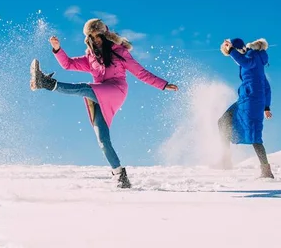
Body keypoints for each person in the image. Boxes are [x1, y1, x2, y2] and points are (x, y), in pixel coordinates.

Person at [29, 18, 178, 188]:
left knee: (84, 88)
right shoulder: (90, 57)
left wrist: (163, 85)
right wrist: (57, 49)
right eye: (92, 37)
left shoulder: (119, 52)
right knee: (102, 140)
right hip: (99, 93)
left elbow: (141, 73)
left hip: (115, 90)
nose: (96, 39)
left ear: (105, 35)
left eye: (98, 35)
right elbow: (68, 64)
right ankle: (120, 176)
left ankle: (47, 83)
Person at [218, 37, 274, 178]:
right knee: (223, 121)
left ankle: (266, 171)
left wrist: (230, 50)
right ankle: (226, 159)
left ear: (238, 49)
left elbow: (246, 63)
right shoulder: (255, 59)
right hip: (246, 100)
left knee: (254, 135)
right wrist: (266, 106)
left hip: (251, 101)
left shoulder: (251, 56)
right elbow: (266, 86)